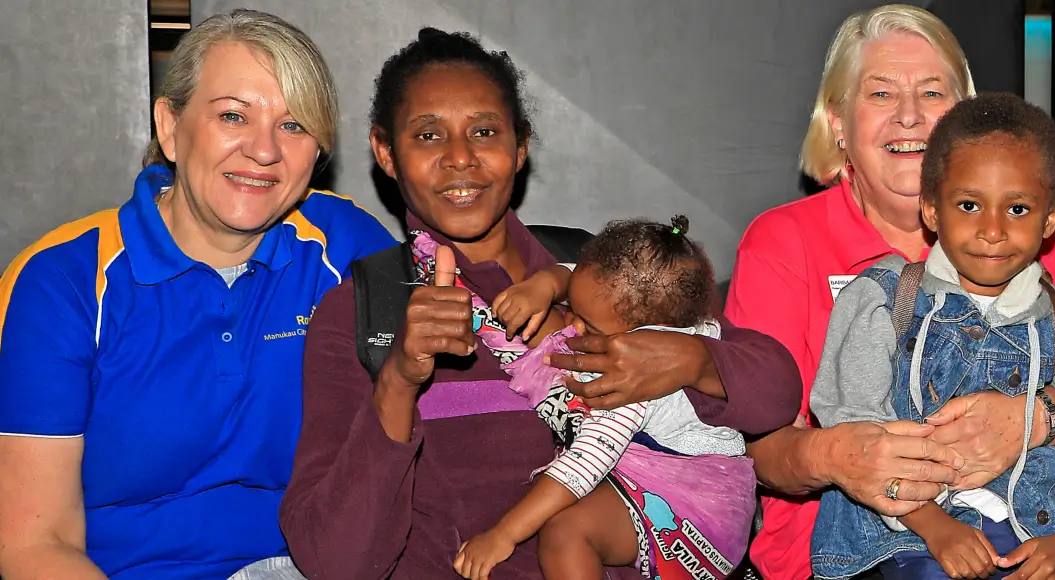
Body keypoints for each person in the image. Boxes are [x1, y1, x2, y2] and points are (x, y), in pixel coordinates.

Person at [278, 28, 801, 580]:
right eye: (429, 136)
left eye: (484, 131)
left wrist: (691, 360)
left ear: (520, 145)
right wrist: (399, 383)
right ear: (386, 152)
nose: (460, 158)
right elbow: (332, 560)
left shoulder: (596, 269)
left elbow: (775, 395)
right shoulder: (362, 312)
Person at [0, 9, 397, 580]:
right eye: (233, 116)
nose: (264, 151)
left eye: (293, 126)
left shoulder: (349, 247)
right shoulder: (62, 282)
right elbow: (37, 545)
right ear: (170, 127)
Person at [724, 6, 1055, 579]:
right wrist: (837, 455)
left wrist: (1036, 419)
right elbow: (752, 445)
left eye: (932, 93)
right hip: (832, 558)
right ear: (837, 123)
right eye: (880, 94)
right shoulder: (784, 243)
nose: (909, 117)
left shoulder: (1041, 243)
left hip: (1030, 537)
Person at [809, 93, 1055, 580]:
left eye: (1017, 209)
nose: (992, 230)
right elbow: (857, 437)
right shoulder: (883, 302)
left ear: (1049, 220)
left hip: (1049, 532)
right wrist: (937, 528)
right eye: (969, 204)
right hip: (912, 533)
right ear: (930, 210)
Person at [450, 216, 756, 580]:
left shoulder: (637, 376)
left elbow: (583, 464)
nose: (574, 327)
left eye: (588, 325)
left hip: (698, 515)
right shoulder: (672, 317)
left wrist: (503, 536)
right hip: (712, 492)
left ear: (640, 333)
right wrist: (547, 283)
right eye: (574, 312)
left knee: (565, 533)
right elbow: (587, 281)